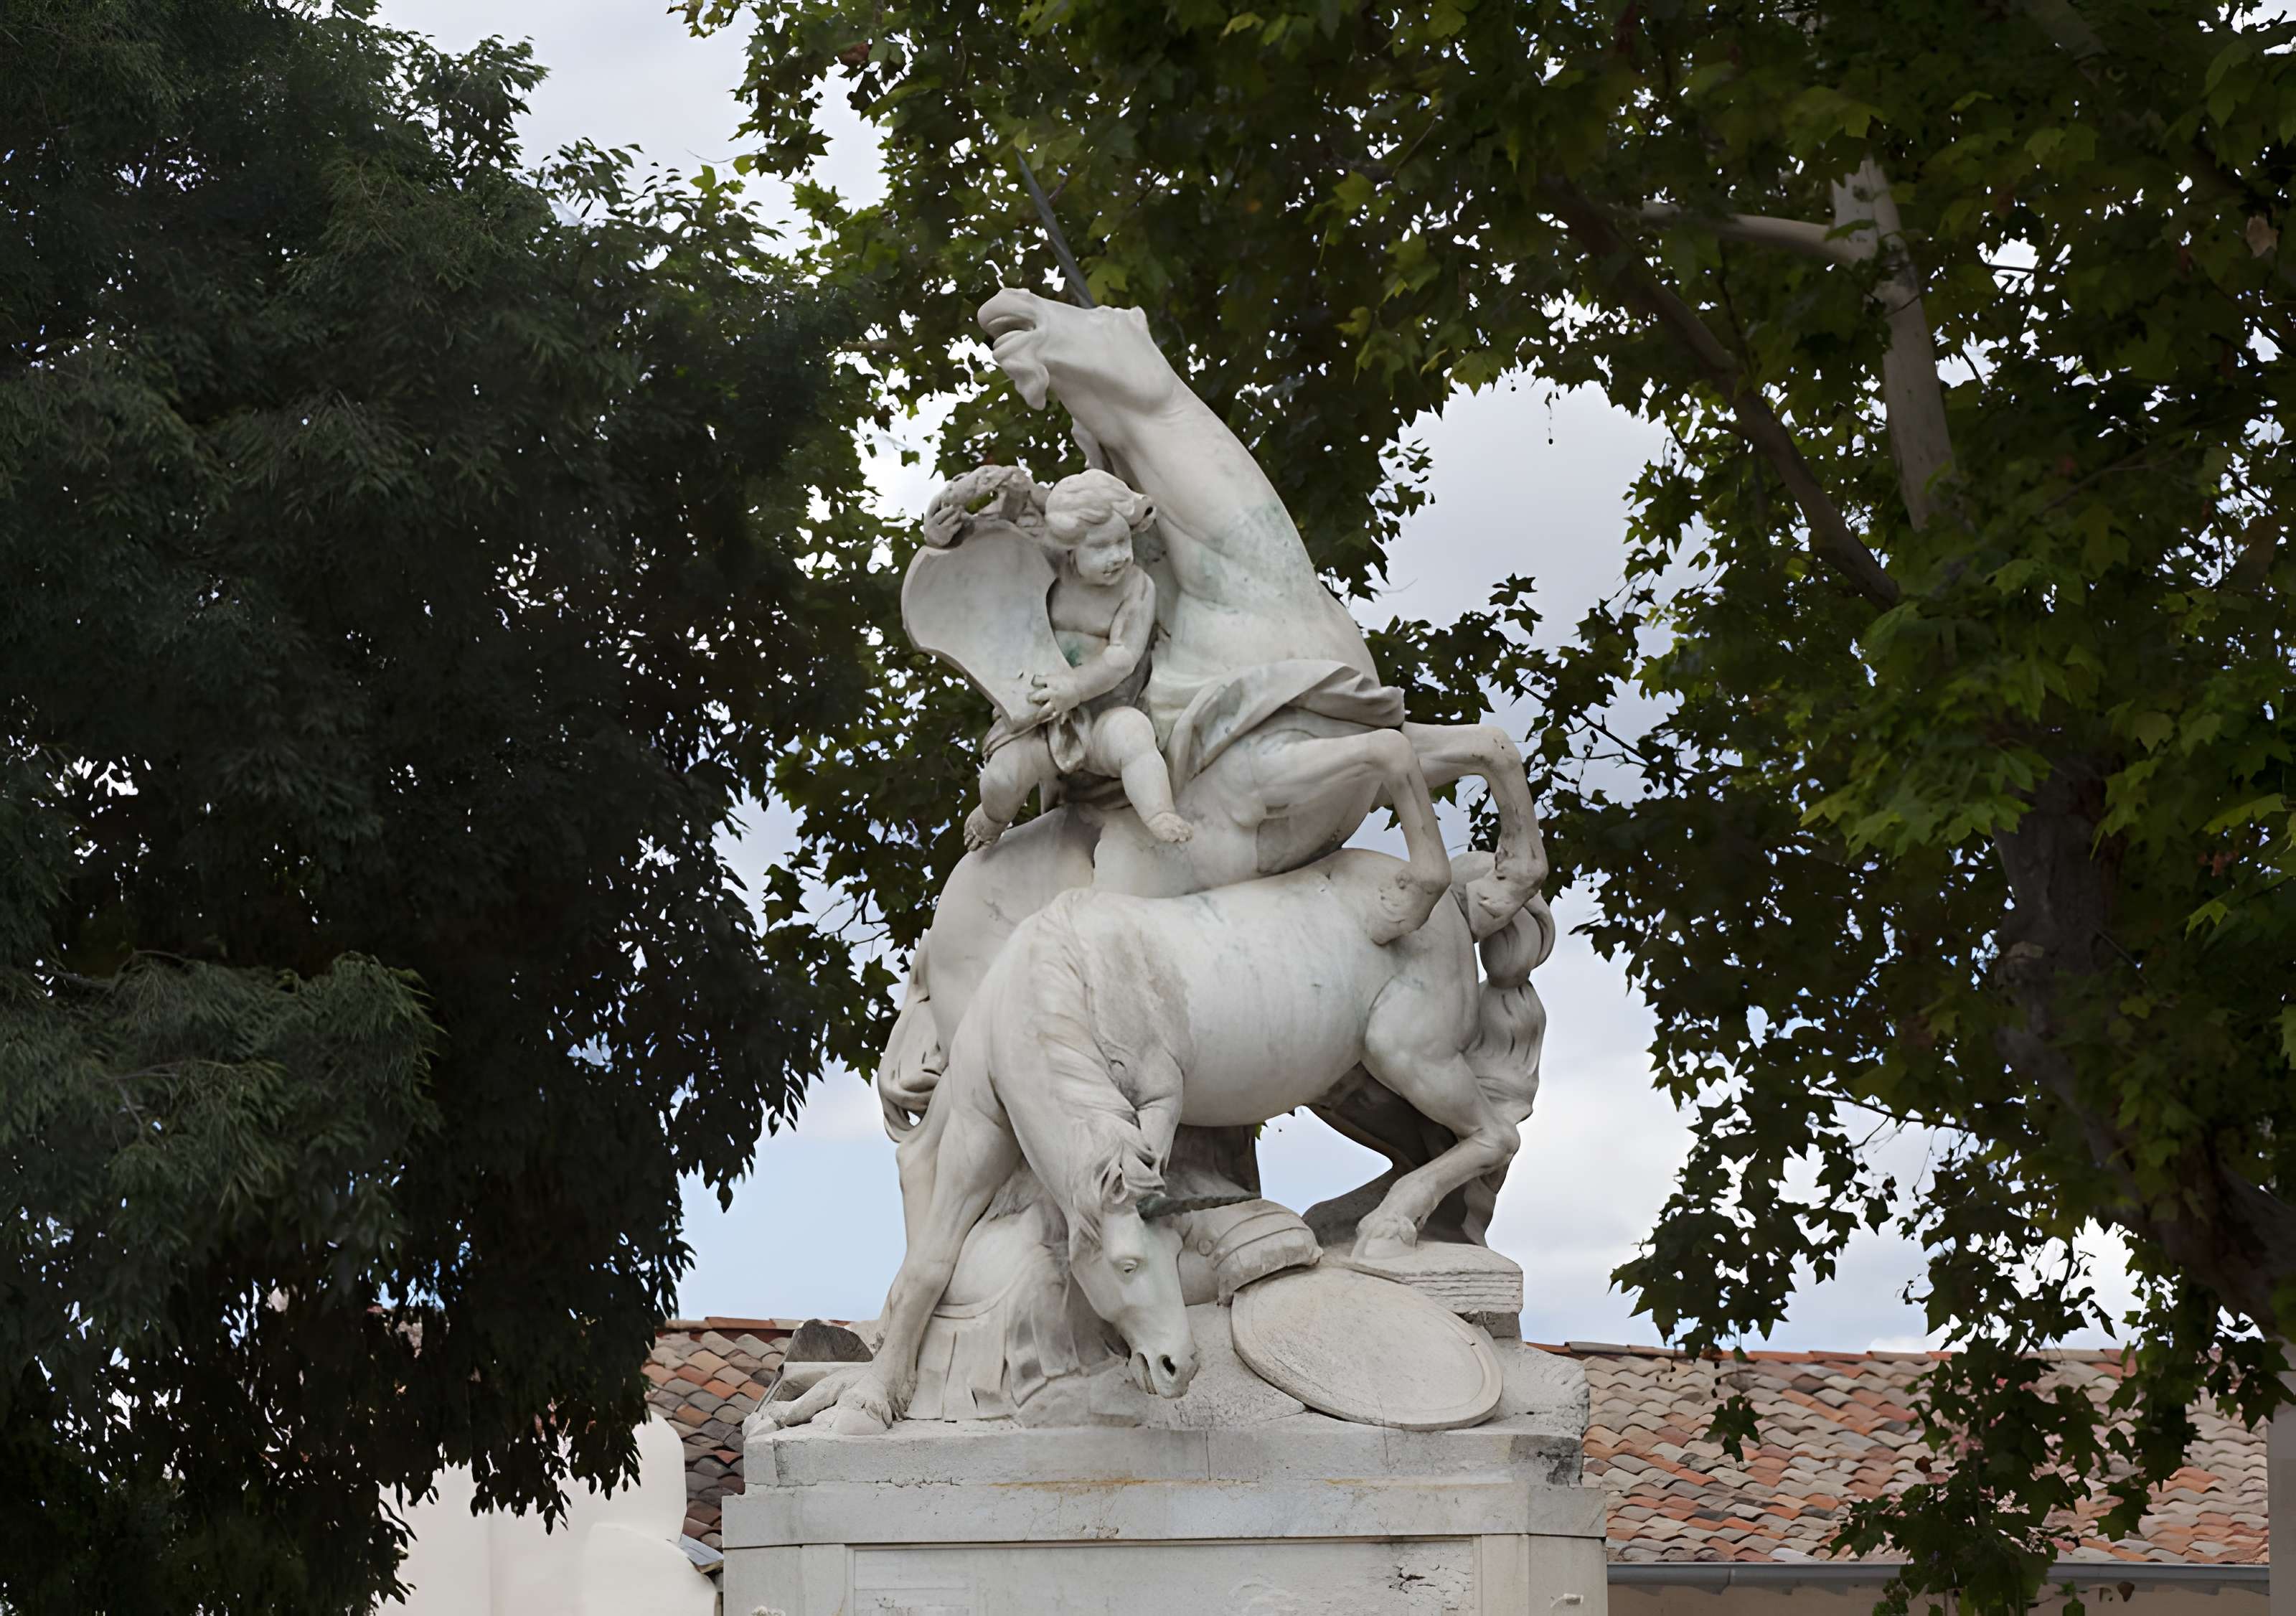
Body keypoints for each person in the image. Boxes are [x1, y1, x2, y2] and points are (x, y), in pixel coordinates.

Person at [965, 469, 1193, 850]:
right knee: (1003, 779)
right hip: (1037, 720)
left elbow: (1123, 656)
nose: (1118, 556)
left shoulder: (1137, 586)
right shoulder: (1045, 566)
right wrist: (943, 528)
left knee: (1136, 736)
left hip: (1104, 713)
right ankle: (992, 816)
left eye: (1123, 541)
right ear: (1069, 548)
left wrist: (1075, 686)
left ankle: (1159, 813)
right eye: (1101, 547)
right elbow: (989, 550)